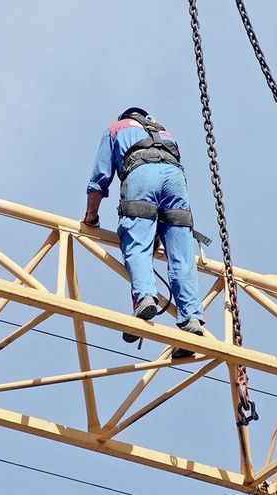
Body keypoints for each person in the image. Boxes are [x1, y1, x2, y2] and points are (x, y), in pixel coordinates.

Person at [83, 107, 204, 358]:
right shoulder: (166, 133)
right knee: (181, 256)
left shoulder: (116, 129)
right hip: (175, 183)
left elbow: (100, 176)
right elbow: (168, 179)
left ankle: (146, 298)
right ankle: (191, 320)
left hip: (141, 176)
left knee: (136, 246)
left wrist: (91, 215)